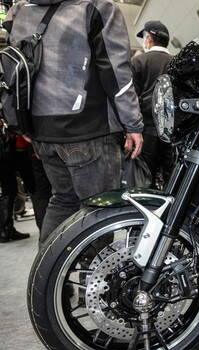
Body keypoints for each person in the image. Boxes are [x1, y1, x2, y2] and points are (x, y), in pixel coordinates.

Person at [4, 0, 144, 243]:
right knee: (99, 210)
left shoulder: (20, 11)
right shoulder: (96, 7)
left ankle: (48, 266)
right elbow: (116, 71)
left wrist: (22, 121)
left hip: (42, 132)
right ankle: (92, 269)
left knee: (62, 200)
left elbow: (14, 70)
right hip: (89, 129)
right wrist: (133, 123)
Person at [131, 21, 174, 189]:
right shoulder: (177, 62)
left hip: (146, 131)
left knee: (145, 177)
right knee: (172, 178)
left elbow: (131, 98)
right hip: (173, 132)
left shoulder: (138, 61)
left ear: (149, 39)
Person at [0, 129, 52, 242]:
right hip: (17, 147)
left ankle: (6, 228)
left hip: (13, 147)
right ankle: (5, 229)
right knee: (37, 190)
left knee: (11, 189)